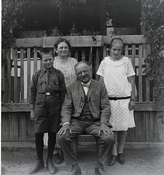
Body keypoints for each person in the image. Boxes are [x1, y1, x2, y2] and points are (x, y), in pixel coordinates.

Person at [57, 61, 115, 175]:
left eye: (85, 71)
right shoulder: (71, 88)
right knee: (62, 136)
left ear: (90, 70)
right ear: (76, 75)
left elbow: (106, 106)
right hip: (76, 122)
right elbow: (66, 107)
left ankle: (100, 166)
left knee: (109, 138)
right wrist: (66, 123)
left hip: (95, 122)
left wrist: (103, 123)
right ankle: (74, 166)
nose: (83, 74)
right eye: (79, 73)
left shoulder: (100, 85)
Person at [96, 37, 136, 166]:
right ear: (109, 49)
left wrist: (133, 99)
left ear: (122, 50)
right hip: (109, 102)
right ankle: (113, 154)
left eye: (119, 50)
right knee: (111, 128)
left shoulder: (126, 62)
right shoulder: (105, 62)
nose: (116, 52)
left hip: (124, 101)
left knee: (123, 128)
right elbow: (100, 82)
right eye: (114, 49)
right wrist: (100, 100)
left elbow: (132, 81)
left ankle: (120, 152)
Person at [29, 47, 66, 174]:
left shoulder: (59, 75)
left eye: (50, 59)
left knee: (52, 132)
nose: (48, 62)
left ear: (54, 59)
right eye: (45, 60)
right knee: (38, 133)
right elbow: (32, 92)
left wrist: (62, 111)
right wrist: (32, 109)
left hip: (55, 105)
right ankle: (39, 161)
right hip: (40, 104)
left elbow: (63, 93)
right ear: (41, 60)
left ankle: (49, 160)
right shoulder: (36, 75)